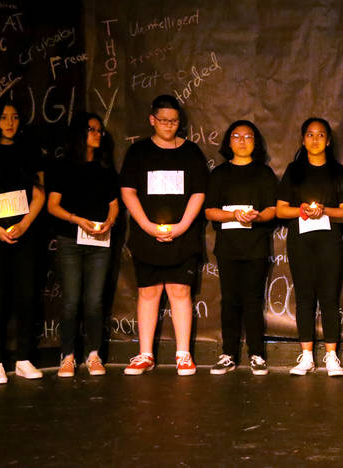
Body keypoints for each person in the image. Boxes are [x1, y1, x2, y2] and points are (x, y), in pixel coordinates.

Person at [120, 95, 208, 376]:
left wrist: (182, 225)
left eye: (174, 121)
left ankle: (183, 354)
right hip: (146, 234)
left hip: (184, 234)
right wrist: (145, 225)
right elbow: (128, 190)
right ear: (152, 120)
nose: (169, 125)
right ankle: (145, 354)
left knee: (180, 291)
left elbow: (199, 192)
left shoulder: (191, 152)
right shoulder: (138, 152)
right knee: (148, 292)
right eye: (163, 120)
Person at [0, 99, 45, 384]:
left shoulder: (29, 151)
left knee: (26, 295)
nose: (10, 123)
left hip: (24, 231)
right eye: (4, 117)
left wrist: (25, 224)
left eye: (15, 117)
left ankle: (24, 358)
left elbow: (39, 192)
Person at [277, 118, 343, 377]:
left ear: (329, 140)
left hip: (329, 241)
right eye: (310, 134)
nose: (315, 139)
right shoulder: (294, 170)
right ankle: (307, 356)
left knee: (330, 298)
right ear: (303, 139)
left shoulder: (339, 172)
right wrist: (302, 210)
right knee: (305, 298)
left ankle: (332, 356)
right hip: (300, 240)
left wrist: (323, 211)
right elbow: (280, 208)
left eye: (321, 135)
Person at [47, 112, 119, 378]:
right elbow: (52, 206)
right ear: (79, 133)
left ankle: (93, 354)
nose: (98, 134)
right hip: (70, 240)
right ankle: (67, 355)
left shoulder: (105, 168)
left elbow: (114, 205)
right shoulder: (63, 166)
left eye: (100, 131)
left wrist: (109, 222)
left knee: (94, 301)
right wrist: (77, 220)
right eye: (92, 130)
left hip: (100, 240)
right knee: (71, 301)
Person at [205, 120, 277, 376]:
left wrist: (255, 217)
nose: (242, 141)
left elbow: (272, 210)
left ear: (255, 142)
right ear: (229, 142)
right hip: (228, 247)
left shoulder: (264, 173)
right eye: (236, 136)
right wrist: (233, 215)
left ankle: (257, 354)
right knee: (230, 301)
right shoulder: (219, 174)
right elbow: (210, 210)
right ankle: (228, 354)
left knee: (253, 301)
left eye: (248, 137)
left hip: (256, 246)